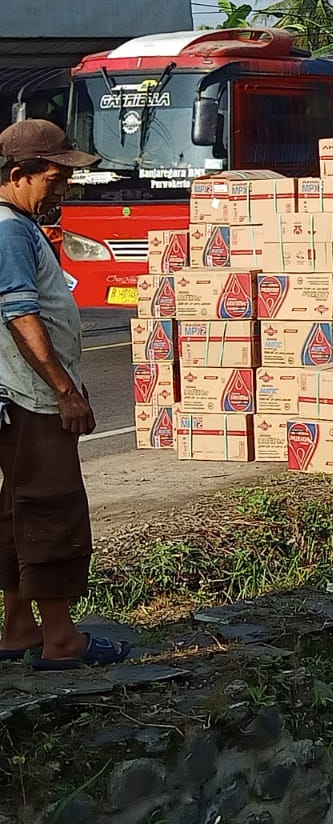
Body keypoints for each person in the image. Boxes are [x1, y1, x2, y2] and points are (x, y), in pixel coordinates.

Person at [0, 120, 129, 669]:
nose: (64, 190)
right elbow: (19, 312)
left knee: (15, 510)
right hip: (31, 398)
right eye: (54, 179)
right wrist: (65, 391)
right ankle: (60, 639)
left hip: (17, 396)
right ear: (17, 176)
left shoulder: (20, 227)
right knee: (52, 507)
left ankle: (18, 630)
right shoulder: (8, 230)